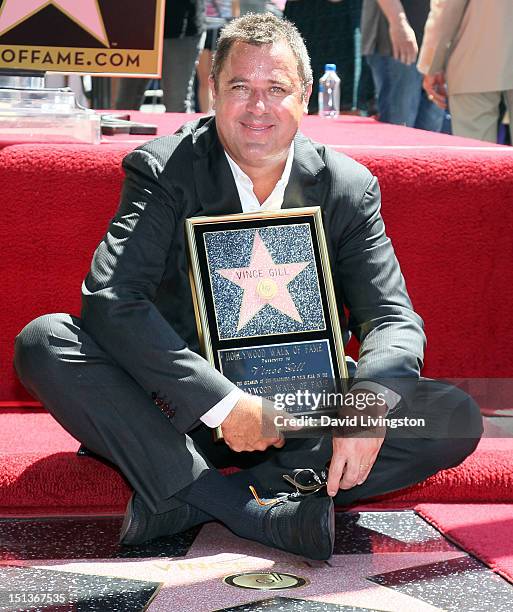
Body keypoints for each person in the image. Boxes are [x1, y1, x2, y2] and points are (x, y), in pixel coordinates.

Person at [14, 13, 482, 561]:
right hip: (179, 410)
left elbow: (393, 319)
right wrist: (225, 405)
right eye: (240, 87)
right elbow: (111, 299)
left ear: (305, 97)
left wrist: (365, 408)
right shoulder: (165, 170)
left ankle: (190, 498)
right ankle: (257, 513)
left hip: (298, 406)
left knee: (451, 415)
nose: (258, 107)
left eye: (276, 89)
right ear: (212, 91)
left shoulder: (348, 188)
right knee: (44, 342)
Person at [418, 0, 513, 143]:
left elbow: (446, 10)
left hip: (476, 60)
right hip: (477, 61)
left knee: (476, 156)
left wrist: (431, 65)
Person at [361, 0, 444, 130]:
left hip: (432, 42)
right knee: (398, 133)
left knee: (430, 138)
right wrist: (398, 23)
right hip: (395, 44)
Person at [115, 0, 205, 112]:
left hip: (180, 28)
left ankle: (181, 129)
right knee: (125, 102)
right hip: (139, 26)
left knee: (175, 104)